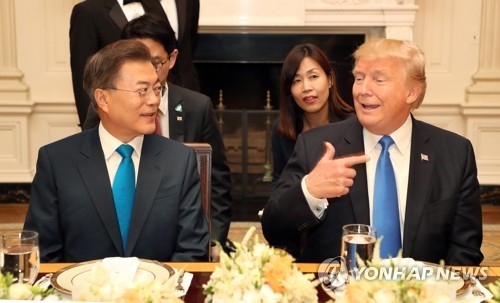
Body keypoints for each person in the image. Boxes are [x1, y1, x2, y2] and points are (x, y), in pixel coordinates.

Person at [261, 39, 483, 265]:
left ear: (411, 93)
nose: (362, 90)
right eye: (359, 78)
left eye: (378, 79)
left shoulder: (455, 153)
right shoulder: (315, 145)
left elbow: (465, 252)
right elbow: (274, 229)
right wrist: (310, 191)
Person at [24, 39, 209, 262]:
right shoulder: (57, 161)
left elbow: (192, 250)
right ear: (103, 98)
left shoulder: (179, 160)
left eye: (157, 89)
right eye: (142, 90)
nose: (154, 101)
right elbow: (42, 254)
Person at [83, 14, 232, 261]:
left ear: (171, 59)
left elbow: (217, 182)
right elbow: (90, 170)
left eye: (155, 63)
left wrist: (212, 240)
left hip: (180, 231)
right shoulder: (103, 110)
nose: (148, 71)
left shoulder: (196, 106)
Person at [70, 0, 200, 127]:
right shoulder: (89, 11)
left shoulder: (188, 2)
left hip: (184, 114)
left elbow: (188, 50)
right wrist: (93, 133)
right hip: (121, 120)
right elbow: (87, 78)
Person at [272, 43, 353, 185]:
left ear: (330, 80)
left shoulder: (353, 126)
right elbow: (280, 183)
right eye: (297, 81)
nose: (306, 87)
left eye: (313, 76)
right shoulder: (282, 130)